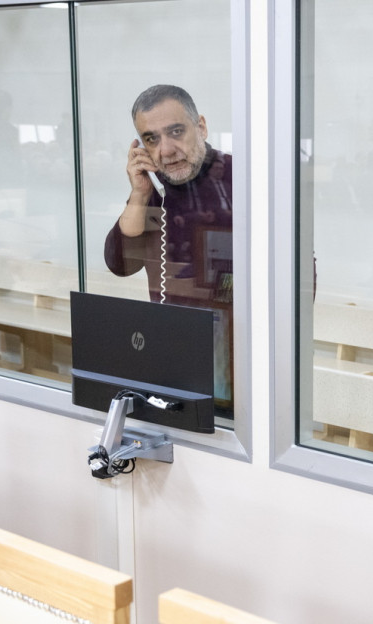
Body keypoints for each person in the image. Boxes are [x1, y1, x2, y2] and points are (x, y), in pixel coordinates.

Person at [104, 85, 233, 411]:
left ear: (201, 127)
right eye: (151, 139)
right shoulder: (154, 189)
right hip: (171, 354)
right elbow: (120, 264)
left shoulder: (243, 180)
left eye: (176, 132)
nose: (166, 150)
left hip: (239, 357)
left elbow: (299, 271)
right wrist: (139, 194)